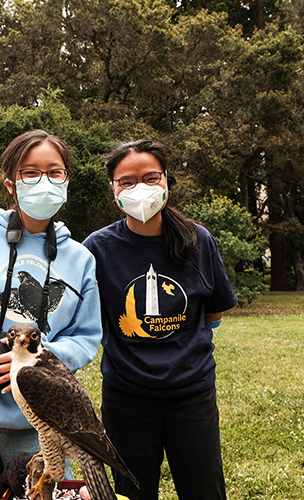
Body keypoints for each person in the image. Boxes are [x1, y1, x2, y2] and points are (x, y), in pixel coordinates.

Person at [0, 129, 103, 485]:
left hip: (40, 424)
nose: (43, 180)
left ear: (66, 181)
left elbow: (87, 335)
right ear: (10, 184)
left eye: (54, 172)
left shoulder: (80, 258)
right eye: (30, 172)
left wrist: (38, 361)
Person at [82, 140, 238, 500]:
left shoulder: (198, 240)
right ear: (113, 189)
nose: (140, 189)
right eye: (127, 181)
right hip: (127, 399)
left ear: (167, 181)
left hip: (192, 395)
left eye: (151, 177)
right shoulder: (97, 248)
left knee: (204, 491)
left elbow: (213, 310)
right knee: (131, 493)